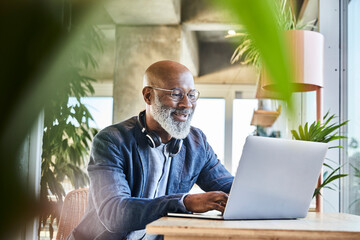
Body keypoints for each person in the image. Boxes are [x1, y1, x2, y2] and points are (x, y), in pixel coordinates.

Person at [68, 60, 234, 240]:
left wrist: (261, 191)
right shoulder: (111, 141)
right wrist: (184, 202)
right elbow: (114, 213)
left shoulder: (196, 143)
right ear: (148, 96)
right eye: (176, 94)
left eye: (192, 95)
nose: (187, 104)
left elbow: (230, 187)